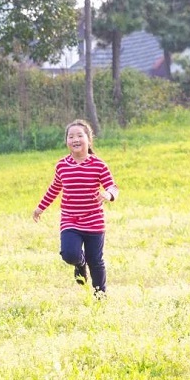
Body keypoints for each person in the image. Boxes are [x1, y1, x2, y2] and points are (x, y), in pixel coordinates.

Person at [33, 119, 118, 297]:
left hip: (94, 221)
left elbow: (112, 187)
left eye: (79, 135)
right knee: (70, 254)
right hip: (70, 220)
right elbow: (54, 188)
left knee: (95, 261)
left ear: (89, 139)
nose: (75, 139)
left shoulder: (98, 165)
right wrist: (41, 208)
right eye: (71, 136)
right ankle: (80, 263)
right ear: (67, 141)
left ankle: (100, 296)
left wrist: (107, 195)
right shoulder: (62, 165)